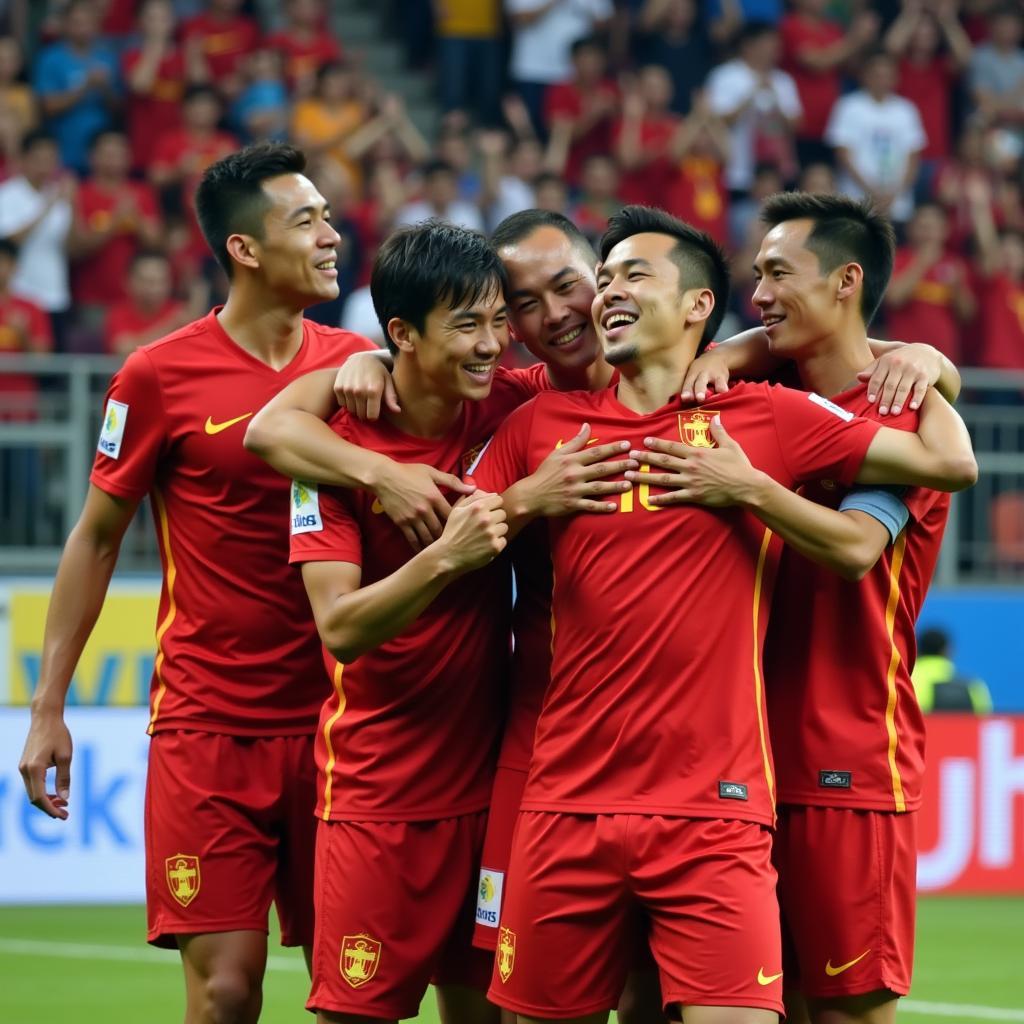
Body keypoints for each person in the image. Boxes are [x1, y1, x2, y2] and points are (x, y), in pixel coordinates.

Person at [468, 205, 975, 1024]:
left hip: (772, 782)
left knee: (838, 1008)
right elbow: (455, 529)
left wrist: (930, 365)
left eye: (629, 276)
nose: (600, 297)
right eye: (603, 280)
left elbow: (931, 480)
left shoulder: (771, 417)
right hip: (578, 793)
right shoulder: (540, 424)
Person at [17, 142, 378, 1024]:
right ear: (244, 249)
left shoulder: (360, 363)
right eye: (307, 220)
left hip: (343, 724)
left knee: (361, 991)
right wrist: (47, 705)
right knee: (225, 993)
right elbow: (96, 538)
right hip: (209, 722)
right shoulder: (157, 374)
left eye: (330, 216)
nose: (333, 236)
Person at [664, 192, 973, 1024]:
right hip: (733, 762)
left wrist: (748, 486)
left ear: (846, 280)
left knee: (847, 1009)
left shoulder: (906, 413)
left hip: (847, 758)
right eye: (753, 274)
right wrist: (734, 348)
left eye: (776, 272)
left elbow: (854, 548)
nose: (757, 291)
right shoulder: (759, 383)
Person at [276, 219, 562, 1024]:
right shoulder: (328, 454)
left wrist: (910, 359)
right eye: (468, 324)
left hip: (494, 787)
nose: (493, 345)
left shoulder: (509, 404)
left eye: (499, 321)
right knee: (353, 1013)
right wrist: (445, 555)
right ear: (401, 332)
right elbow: (341, 628)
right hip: (378, 794)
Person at [913, 627, 993, 713]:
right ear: (947, 650)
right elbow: (984, 721)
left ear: (917, 649)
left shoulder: (906, 682)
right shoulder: (972, 687)